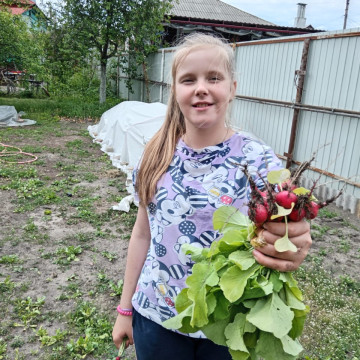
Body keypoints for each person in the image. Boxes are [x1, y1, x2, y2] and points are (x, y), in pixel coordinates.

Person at [112, 33, 312, 360]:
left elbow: (288, 227)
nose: (201, 87)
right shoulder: (155, 154)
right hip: (156, 317)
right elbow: (142, 233)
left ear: (232, 88)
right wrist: (124, 309)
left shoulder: (259, 161)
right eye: (188, 79)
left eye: (214, 78)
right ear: (175, 91)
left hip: (227, 321)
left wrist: (293, 242)